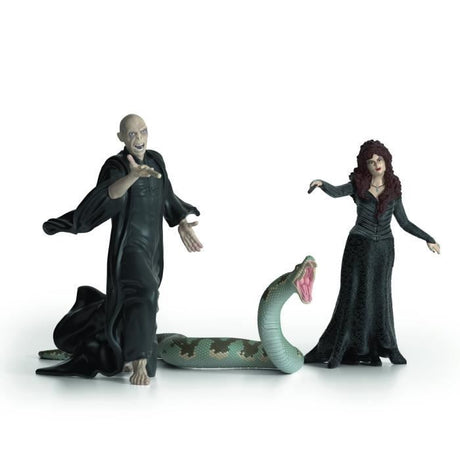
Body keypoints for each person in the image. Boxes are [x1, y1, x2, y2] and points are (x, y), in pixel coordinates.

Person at [36, 114, 202, 385]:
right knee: (144, 291)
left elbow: (167, 196)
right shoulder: (116, 165)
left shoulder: (156, 160)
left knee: (140, 298)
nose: (139, 139)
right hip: (128, 248)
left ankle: (112, 344)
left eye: (143, 131)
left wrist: (181, 221)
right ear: (121, 138)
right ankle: (138, 361)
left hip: (153, 250)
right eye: (132, 134)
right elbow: (109, 194)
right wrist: (132, 176)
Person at [304, 140, 440, 368]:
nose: (376, 164)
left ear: (386, 161)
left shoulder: (393, 189)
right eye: (370, 161)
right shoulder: (358, 185)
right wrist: (321, 184)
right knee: (354, 294)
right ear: (364, 165)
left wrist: (428, 238)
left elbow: (404, 222)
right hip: (359, 246)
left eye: (379, 159)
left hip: (383, 250)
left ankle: (384, 346)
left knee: (380, 296)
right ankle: (344, 347)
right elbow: (336, 191)